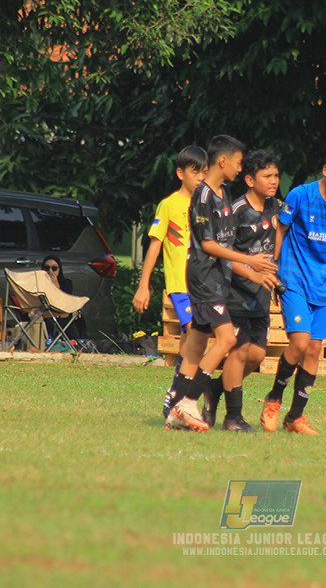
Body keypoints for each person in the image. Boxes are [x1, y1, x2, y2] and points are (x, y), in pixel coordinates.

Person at [164, 135, 278, 431]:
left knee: (197, 344)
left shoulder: (224, 191)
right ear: (223, 161)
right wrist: (249, 260)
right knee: (227, 340)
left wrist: (251, 273)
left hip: (219, 279)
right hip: (204, 279)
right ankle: (187, 404)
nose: (240, 169)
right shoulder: (202, 196)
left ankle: (173, 404)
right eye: (238, 163)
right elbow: (210, 245)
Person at [260, 145, 326, 436]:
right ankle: (273, 399)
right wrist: (274, 268)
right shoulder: (300, 196)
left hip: (322, 284)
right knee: (300, 342)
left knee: (315, 349)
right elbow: (281, 229)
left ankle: (296, 417)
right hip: (293, 279)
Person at [203, 148, 283, 432]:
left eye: (276, 175)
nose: (274, 181)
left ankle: (215, 389)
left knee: (257, 355)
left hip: (260, 296)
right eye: (267, 176)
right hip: (235, 293)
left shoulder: (277, 208)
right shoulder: (236, 210)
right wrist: (251, 272)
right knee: (238, 352)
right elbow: (223, 254)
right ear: (250, 180)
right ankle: (233, 417)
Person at [131, 145, 208, 418]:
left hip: (205, 286)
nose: (200, 177)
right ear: (180, 173)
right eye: (194, 171)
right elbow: (155, 245)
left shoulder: (208, 205)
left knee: (195, 340)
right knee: (191, 331)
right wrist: (144, 285)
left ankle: (184, 392)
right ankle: (178, 395)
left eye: (204, 172)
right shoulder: (168, 205)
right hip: (181, 286)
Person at [41, 254, 86, 341]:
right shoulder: (38, 284)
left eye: (54, 268)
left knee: (74, 313)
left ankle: (68, 340)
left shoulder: (66, 283)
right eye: (47, 268)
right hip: (45, 312)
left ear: (59, 270)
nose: (50, 271)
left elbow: (65, 301)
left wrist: (56, 286)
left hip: (61, 311)